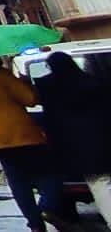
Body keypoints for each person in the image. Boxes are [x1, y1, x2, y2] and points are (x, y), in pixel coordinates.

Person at [0, 57, 66, 231]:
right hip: (24, 134)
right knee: (47, 176)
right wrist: (25, 82)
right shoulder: (1, 75)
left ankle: (35, 224)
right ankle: (46, 208)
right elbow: (30, 99)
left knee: (18, 183)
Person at [36, 52, 111, 217]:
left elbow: (50, 119)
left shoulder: (48, 88)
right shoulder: (94, 83)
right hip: (103, 138)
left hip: (76, 145)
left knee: (99, 184)